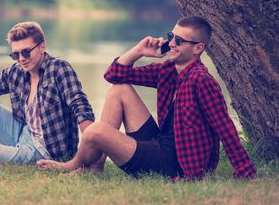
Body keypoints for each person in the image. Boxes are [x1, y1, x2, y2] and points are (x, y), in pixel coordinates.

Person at [38, 16, 256, 180]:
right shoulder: (169, 70)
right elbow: (114, 75)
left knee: (94, 131)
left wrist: (245, 171)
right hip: (162, 144)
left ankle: (72, 165)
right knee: (119, 89)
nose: (171, 43)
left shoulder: (202, 81)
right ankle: (95, 167)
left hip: (177, 165)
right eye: (171, 37)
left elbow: (224, 127)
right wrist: (138, 51)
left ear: (198, 48)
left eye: (179, 41)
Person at [0, 21, 95, 165]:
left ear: (42, 46)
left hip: (47, 151)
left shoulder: (59, 69)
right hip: (23, 133)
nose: (21, 59)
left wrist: (88, 157)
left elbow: (81, 108)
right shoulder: (17, 71)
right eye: (15, 55)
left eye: (26, 52)